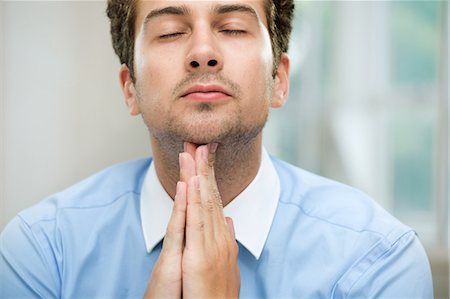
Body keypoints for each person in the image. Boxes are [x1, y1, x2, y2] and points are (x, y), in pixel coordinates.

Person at [0, 0, 433, 297]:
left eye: (232, 28)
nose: (203, 52)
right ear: (130, 89)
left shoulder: (379, 262)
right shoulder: (42, 252)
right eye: (170, 32)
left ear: (278, 81)